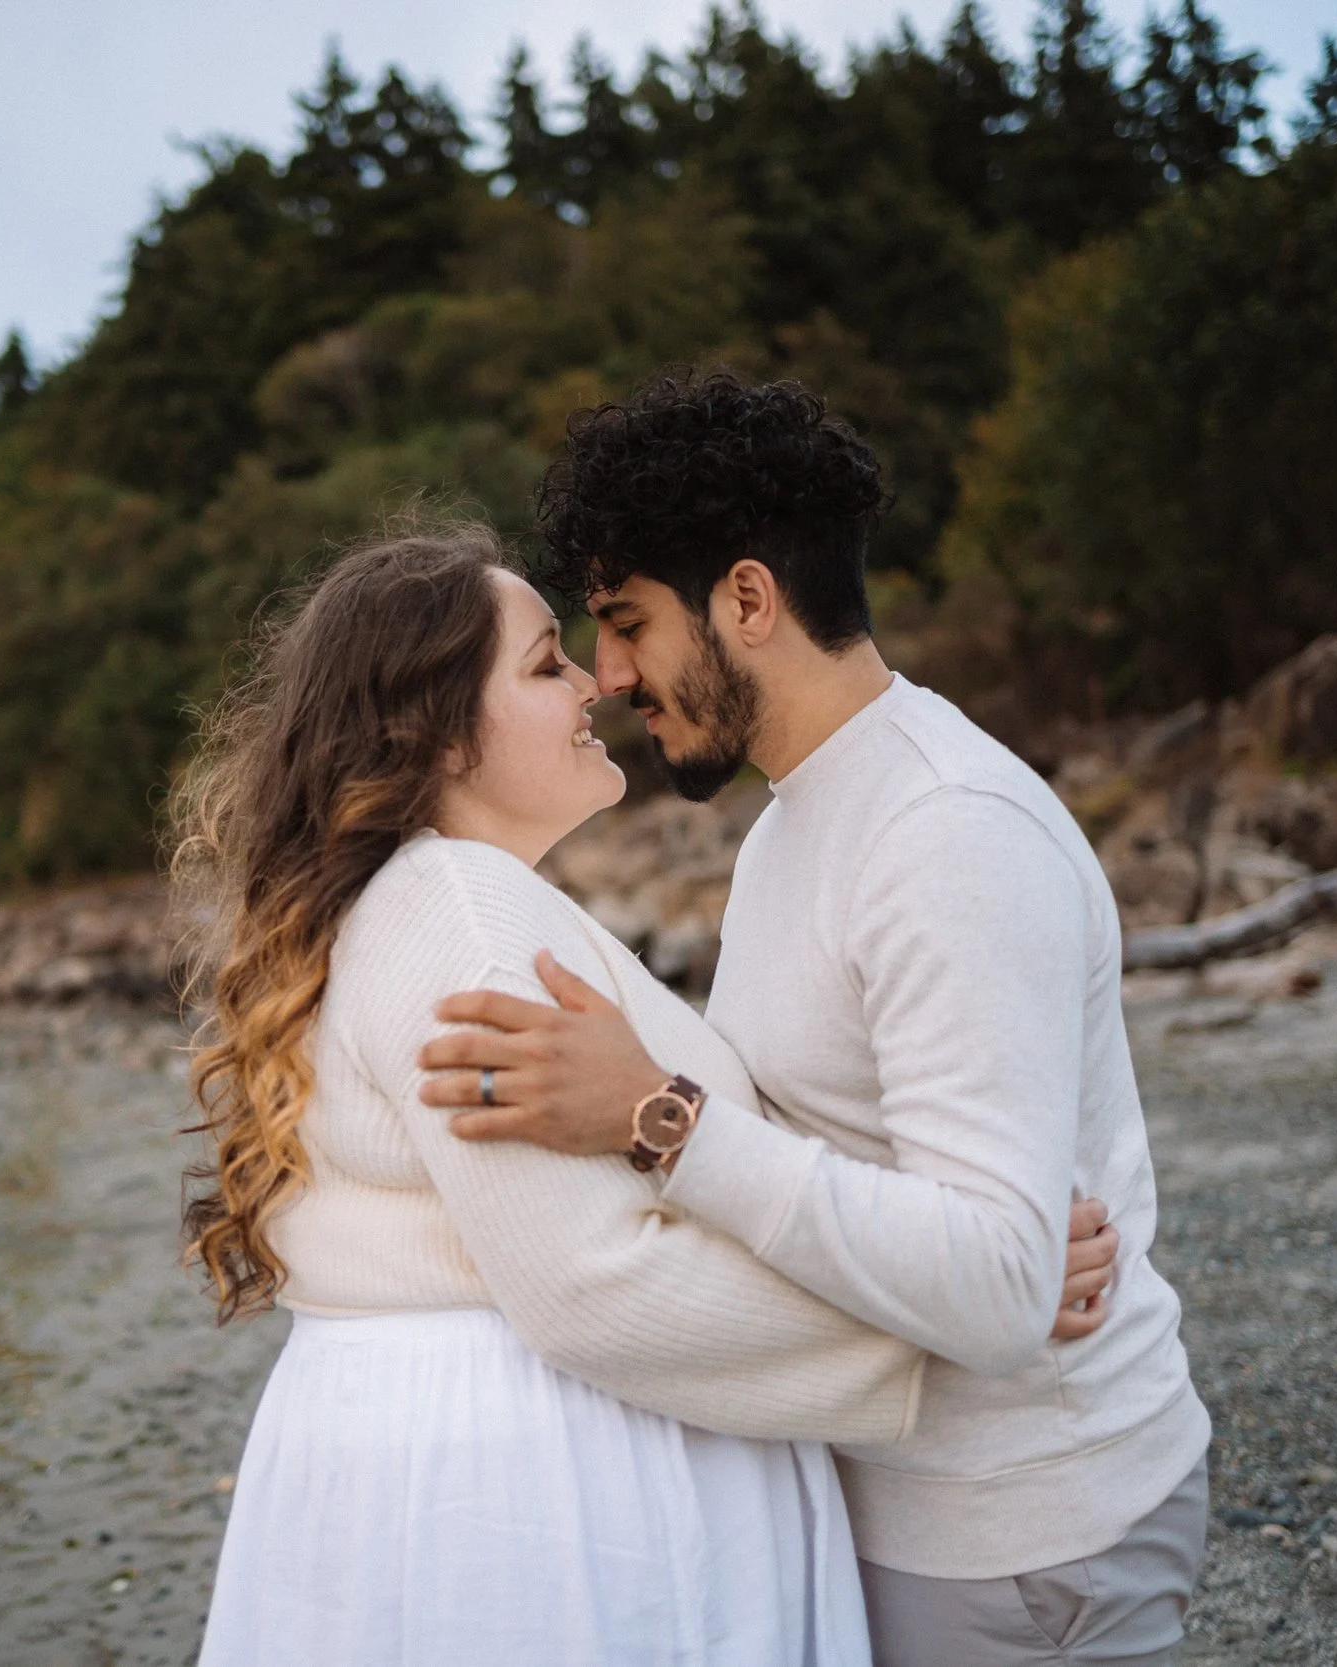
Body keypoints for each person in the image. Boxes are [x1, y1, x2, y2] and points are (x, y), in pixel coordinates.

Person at [177, 522, 1118, 1666]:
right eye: (544, 663)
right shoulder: (459, 912)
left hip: (485, 1475)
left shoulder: (446, 901)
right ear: (437, 736)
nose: (593, 680)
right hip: (540, 1508)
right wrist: (950, 1319)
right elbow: (594, 1277)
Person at [417, 371, 1210, 1666]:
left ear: (747, 598)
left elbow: (1004, 1281)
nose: (610, 675)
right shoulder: (797, 824)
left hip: (1023, 1537)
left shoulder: (944, 831)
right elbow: (893, 1191)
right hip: (913, 1508)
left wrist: (659, 1118)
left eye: (624, 621)